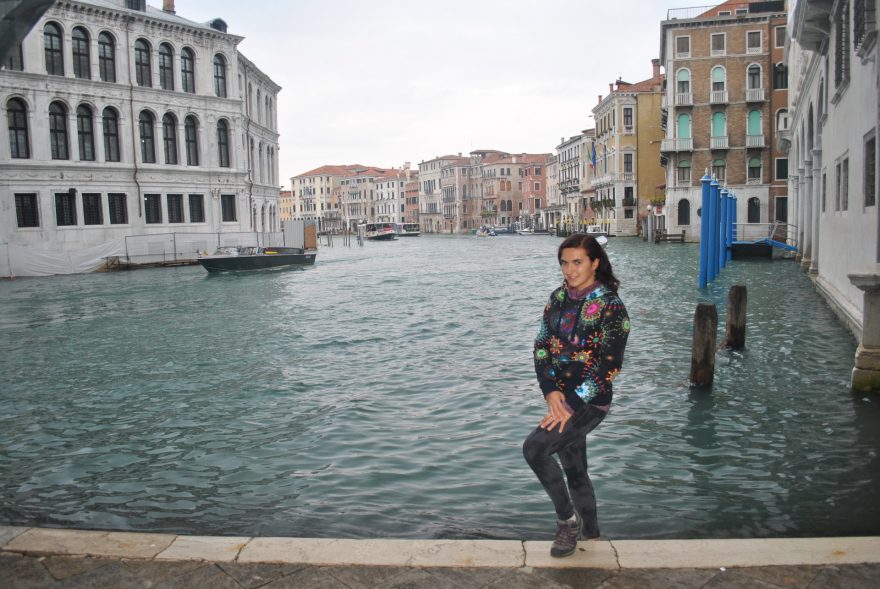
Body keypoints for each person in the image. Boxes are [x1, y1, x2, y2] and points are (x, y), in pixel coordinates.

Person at [523, 233, 630, 558]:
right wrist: (550, 391)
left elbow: (609, 367)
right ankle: (593, 536)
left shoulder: (611, 307)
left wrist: (569, 404)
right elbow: (541, 346)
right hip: (561, 396)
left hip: (590, 401)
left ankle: (567, 521)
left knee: (535, 450)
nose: (569, 270)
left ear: (595, 263)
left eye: (577, 262)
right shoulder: (557, 298)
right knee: (575, 469)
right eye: (564, 263)